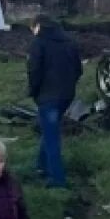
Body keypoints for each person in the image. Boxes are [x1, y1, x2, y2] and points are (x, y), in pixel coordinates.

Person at [27, 13, 82, 189]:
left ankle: (57, 180)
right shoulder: (69, 42)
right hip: (66, 95)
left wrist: (34, 92)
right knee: (49, 130)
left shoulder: (39, 43)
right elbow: (78, 69)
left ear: (37, 26)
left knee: (52, 138)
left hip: (47, 96)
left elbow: (34, 71)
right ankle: (40, 166)